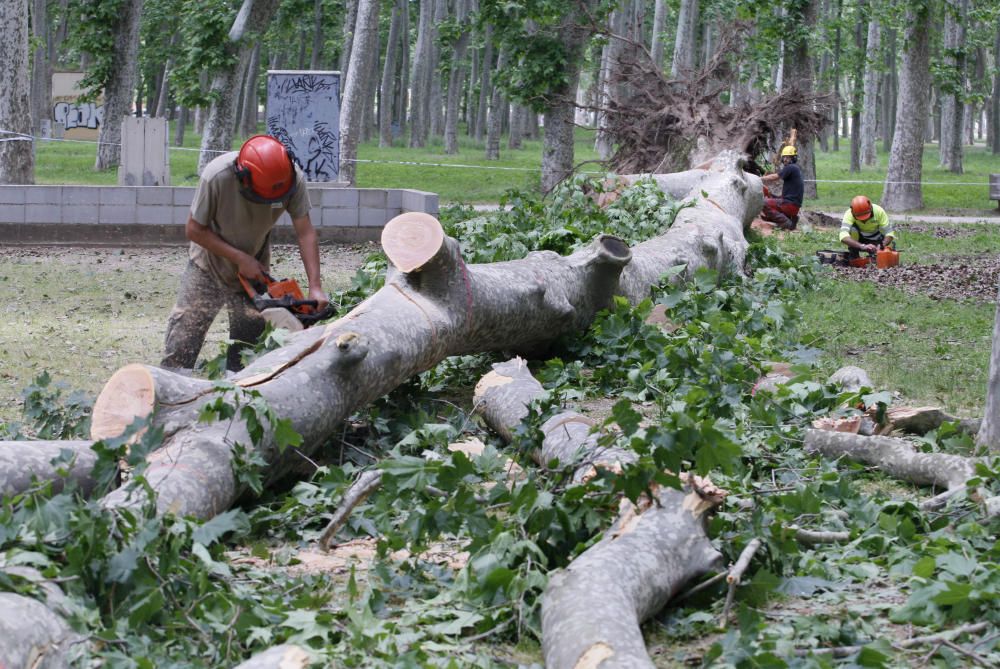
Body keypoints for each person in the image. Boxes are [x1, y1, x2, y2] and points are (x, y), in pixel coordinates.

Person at [161, 135, 327, 372]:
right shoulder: (217, 176)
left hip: (254, 272)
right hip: (207, 266)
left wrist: (315, 286)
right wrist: (239, 258)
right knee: (183, 340)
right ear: (244, 179)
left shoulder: (290, 178)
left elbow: (305, 232)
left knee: (246, 351)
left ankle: (237, 395)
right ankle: (170, 391)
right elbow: (194, 229)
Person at [760, 145, 804, 230]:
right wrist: (773, 196)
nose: (785, 160)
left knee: (764, 203)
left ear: (793, 158)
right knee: (771, 197)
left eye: (788, 158)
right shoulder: (795, 169)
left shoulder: (790, 167)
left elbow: (775, 177)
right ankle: (791, 220)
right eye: (784, 157)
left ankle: (785, 222)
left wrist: (760, 178)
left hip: (789, 205)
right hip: (794, 206)